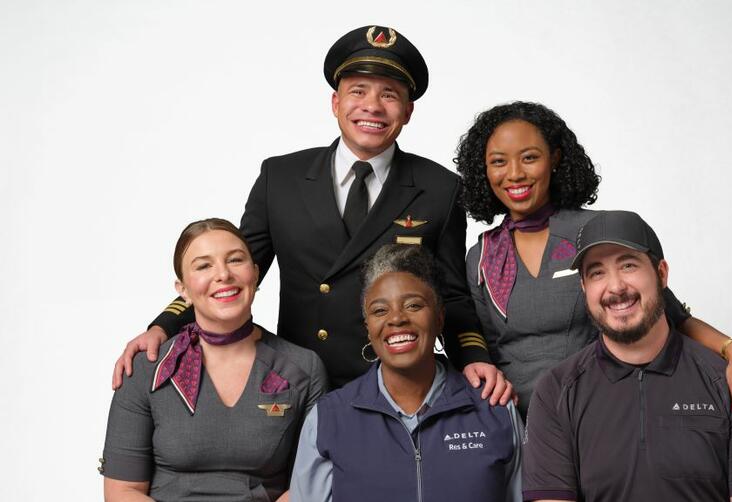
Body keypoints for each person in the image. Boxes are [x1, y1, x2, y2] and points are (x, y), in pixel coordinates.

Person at [112, 25, 510, 402]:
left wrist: (473, 357)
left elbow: (452, 294)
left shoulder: (440, 188)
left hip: (396, 383)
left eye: (389, 94)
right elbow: (235, 271)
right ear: (336, 103)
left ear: (407, 111)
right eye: (358, 91)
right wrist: (162, 327)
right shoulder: (280, 177)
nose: (372, 106)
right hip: (300, 382)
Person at [457, 101, 732, 425]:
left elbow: (672, 315)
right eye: (499, 162)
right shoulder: (481, 257)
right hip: (521, 432)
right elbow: (489, 356)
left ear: (554, 159)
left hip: (605, 416)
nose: (514, 173)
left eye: (529, 157)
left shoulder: (596, 234)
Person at [523, 210, 732, 501]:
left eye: (628, 265)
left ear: (661, 274)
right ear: (584, 287)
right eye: (597, 272)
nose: (615, 287)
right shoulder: (556, 393)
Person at [100, 218, 327, 501]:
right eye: (204, 265)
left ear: (255, 273)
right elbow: (123, 491)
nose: (223, 275)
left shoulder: (303, 368)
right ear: (182, 289)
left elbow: (307, 485)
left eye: (235, 260)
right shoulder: (146, 369)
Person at [290, 244, 524, 501]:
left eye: (413, 305)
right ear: (368, 328)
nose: (396, 319)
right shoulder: (327, 419)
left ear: (439, 318)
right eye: (380, 310)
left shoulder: (494, 408)